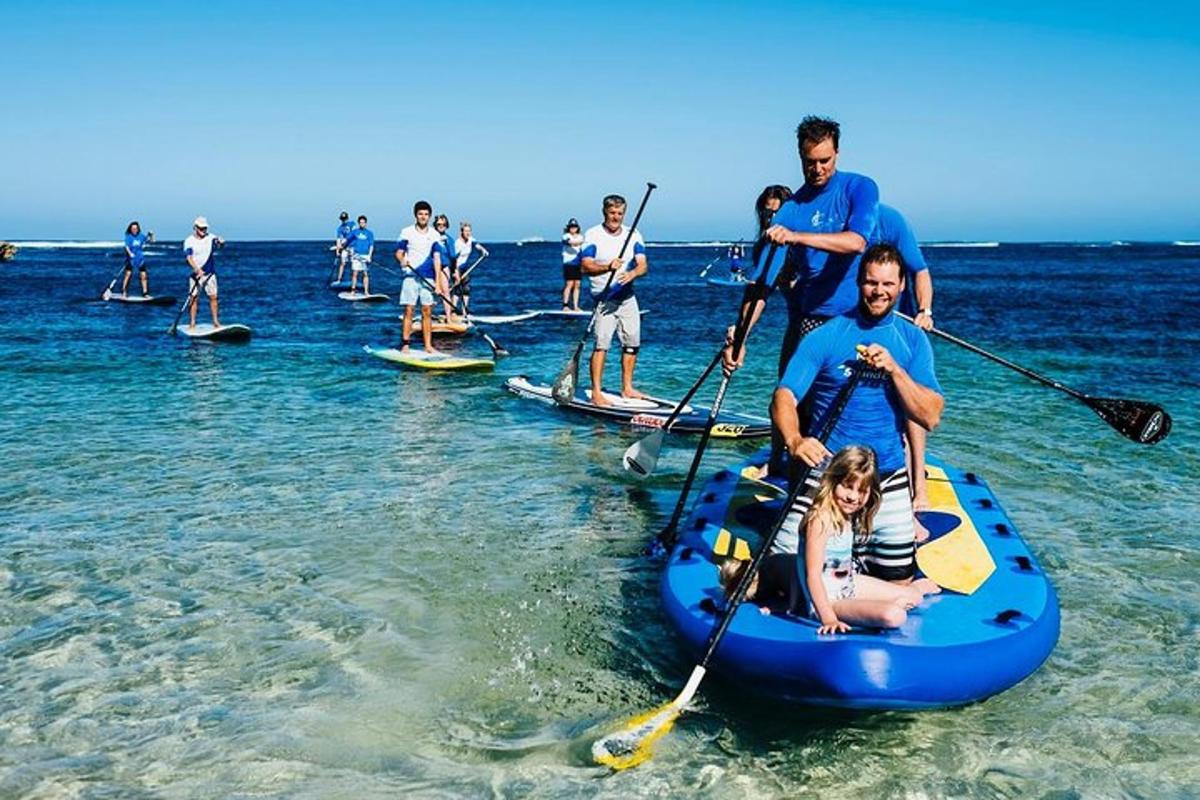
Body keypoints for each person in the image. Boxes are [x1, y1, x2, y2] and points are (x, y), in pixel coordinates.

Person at [771, 243, 944, 586]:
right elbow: (783, 397)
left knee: (898, 584)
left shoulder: (911, 339)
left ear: (901, 286)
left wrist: (895, 370)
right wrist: (794, 440)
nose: (878, 291)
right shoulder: (827, 335)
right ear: (859, 282)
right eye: (870, 282)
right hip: (827, 473)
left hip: (888, 477)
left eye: (887, 284)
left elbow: (930, 416)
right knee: (784, 574)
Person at [797, 446, 940, 633]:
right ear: (832, 480)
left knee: (915, 597)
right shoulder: (821, 519)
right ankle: (889, 603)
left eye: (862, 491)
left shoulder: (844, 514)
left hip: (847, 584)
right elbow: (813, 574)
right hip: (830, 602)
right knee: (894, 616)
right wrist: (829, 619)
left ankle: (910, 592)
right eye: (847, 486)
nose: (853, 497)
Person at [871, 204, 936, 511]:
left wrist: (924, 311)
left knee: (910, 404)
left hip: (903, 323)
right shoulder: (832, 222)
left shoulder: (890, 219)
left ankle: (918, 488)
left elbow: (919, 270)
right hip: (861, 321)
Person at [580, 194, 649, 406]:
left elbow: (643, 265)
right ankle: (597, 392)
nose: (616, 217)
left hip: (627, 297)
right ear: (605, 212)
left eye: (619, 213)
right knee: (602, 345)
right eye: (612, 213)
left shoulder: (633, 234)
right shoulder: (593, 235)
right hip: (604, 299)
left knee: (632, 343)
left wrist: (633, 274)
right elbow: (585, 266)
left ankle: (627, 388)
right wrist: (607, 266)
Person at [395, 201, 442, 353]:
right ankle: (405, 344)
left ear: (429, 216)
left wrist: (438, 283)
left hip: (428, 277)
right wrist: (402, 260)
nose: (423, 217)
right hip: (410, 276)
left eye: (426, 214)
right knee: (409, 309)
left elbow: (437, 259)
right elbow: (399, 253)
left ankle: (428, 346)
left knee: (427, 311)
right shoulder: (406, 232)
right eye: (420, 214)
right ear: (415, 215)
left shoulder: (435, 234)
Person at [183, 216, 225, 328]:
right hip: (195, 274)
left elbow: (219, 245)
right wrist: (197, 270)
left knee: (213, 297)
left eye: (205, 228)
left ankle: (216, 322)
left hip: (210, 273)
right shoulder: (189, 241)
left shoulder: (211, 237)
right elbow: (189, 258)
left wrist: (221, 242)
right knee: (194, 298)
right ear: (195, 228)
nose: (203, 230)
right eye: (201, 228)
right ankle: (192, 323)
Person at [451, 220, 489, 316]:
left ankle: (465, 311)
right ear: (461, 232)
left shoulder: (470, 239)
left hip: (465, 268)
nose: (468, 233)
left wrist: (483, 250)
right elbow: (453, 259)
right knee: (457, 289)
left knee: (466, 289)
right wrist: (455, 273)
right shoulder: (457, 244)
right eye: (466, 231)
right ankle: (453, 311)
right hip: (456, 268)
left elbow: (477, 245)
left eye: (469, 231)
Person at [433, 214, 458, 321]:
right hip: (431, 267)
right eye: (438, 224)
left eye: (443, 224)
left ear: (446, 226)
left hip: (444, 267)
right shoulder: (431, 237)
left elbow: (453, 256)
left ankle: (448, 316)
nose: (441, 226)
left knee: (446, 292)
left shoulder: (450, 240)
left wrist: (455, 271)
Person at [121, 221, 153, 297]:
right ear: (130, 229)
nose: (134, 230)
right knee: (128, 275)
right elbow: (126, 247)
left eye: (136, 228)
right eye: (133, 228)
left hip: (140, 259)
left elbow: (151, 241)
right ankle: (124, 291)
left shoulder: (141, 236)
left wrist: (151, 235)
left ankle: (145, 293)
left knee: (143, 276)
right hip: (131, 259)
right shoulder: (128, 237)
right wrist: (130, 254)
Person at [345, 215, 375, 296]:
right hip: (356, 255)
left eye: (363, 223)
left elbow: (371, 245)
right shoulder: (355, 232)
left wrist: (370, 256)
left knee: (365, 273)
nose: (362, 224)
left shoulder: (370, 233)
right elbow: (347, 240)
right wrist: (346, 248)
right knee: (355, 273)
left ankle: (366, 291)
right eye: (361, 223)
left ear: (366, 223)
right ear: (359, 223)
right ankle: (353, 290)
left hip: (365, 255)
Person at [561, 218, 584, 311]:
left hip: (578, 263)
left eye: (575, 227)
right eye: (571, 227)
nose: (573, 229)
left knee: (577, 284)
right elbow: (569, 243)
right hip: (569, 263)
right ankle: (565, 305)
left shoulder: (580, 237)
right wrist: (579, 242)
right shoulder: (566, 236)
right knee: (569, 284)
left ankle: (575, 306)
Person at [333, 211, 353, 284]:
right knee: (342, 263)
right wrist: (337, 251)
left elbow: (353, 234)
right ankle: (339, 279)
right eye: (342, 219)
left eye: (345, 219)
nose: (344, 220)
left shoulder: (352, 224)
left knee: (353, 264)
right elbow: (338, 240)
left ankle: (353, 280)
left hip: (352, 247)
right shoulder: (340, 229)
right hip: (345, 248)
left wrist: (345, 241)